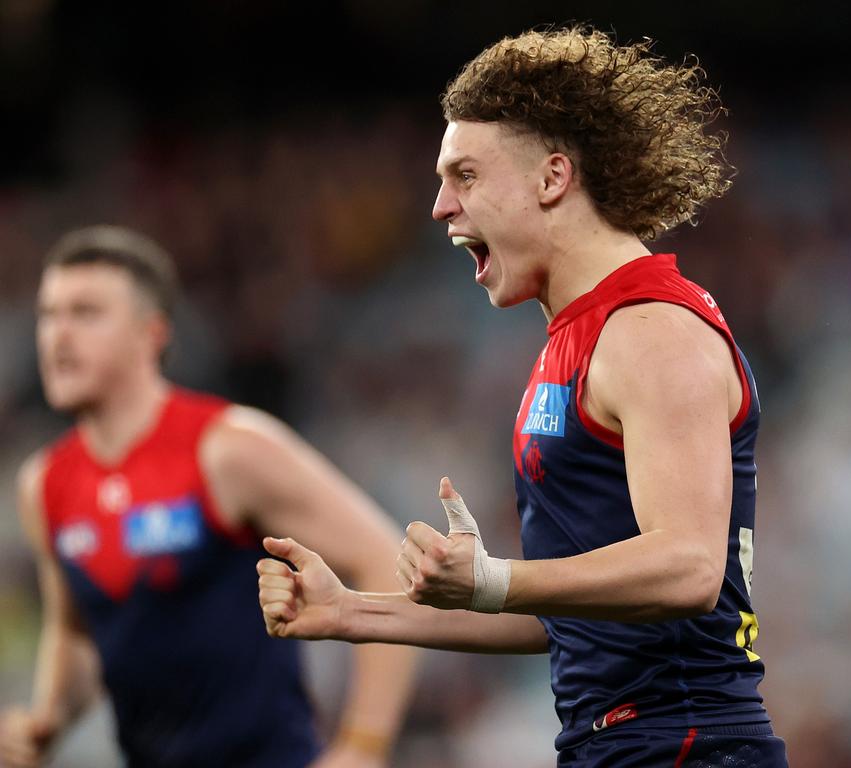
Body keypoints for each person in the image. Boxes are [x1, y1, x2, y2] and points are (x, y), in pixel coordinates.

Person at [257, 26, 789, 767]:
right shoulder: (572, 340)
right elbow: (562, 617)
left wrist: (495, 577)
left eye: (465, 176)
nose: (441, 206)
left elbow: (690, 568)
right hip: (619, 745)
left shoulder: (650, 331)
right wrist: (350, 610)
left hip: (683, 741)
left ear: (551, 178)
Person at [0, 226, 418, 768]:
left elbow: (385, 557)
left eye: (85, 313)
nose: (58, 336)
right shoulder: (45, 483)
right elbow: (77, 629)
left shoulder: (227, 449)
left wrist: (364, 745)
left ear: (151, 333)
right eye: (48, 314)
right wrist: (46, 721)